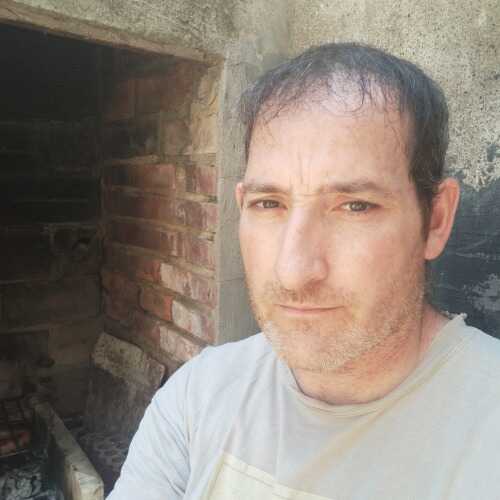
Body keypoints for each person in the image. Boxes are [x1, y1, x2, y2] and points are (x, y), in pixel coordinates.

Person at [108, 43, 500, 500]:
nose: (293, 272)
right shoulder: (198, 395)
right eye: (268, 204)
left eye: (355, 206)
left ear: (435, 220)